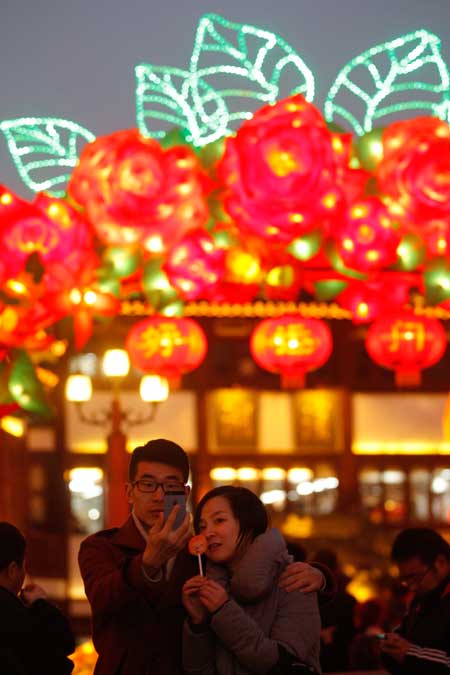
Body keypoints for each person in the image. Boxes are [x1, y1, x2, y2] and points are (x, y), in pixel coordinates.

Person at [79, 438, 329, 675]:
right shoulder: (102, 547)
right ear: (129, 491)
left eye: (170, 486)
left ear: (185, 492)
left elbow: (254, 568)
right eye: (147, 484)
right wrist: (148, 562)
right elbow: (103, 598)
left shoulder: (201, 548)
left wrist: (322, 576)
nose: (158, 496)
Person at [182, 485, 321, 675]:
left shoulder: (293, 581)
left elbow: (284, 664)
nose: (208, 533)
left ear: (249, 522)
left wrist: (224, 611)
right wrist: (198, 624)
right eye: (202, 526)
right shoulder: (212, 586)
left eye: (219, 520)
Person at [0, 521, 75, 675]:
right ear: (13, 570)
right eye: (24, 567)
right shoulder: (15, 615)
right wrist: (40, 604)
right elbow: (63, 647)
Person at [381, 527, 450, 675]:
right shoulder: (421, 600)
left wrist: (411, 654)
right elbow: (405, 634)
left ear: (441, 563)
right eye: (405, 580)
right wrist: (391, 644)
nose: (411, 586)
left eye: (414, 577)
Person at [312, 548, 356, 672]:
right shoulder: (347, 600)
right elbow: (350, 633)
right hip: (338, 658)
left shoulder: (304, 596)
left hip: (311, 657)